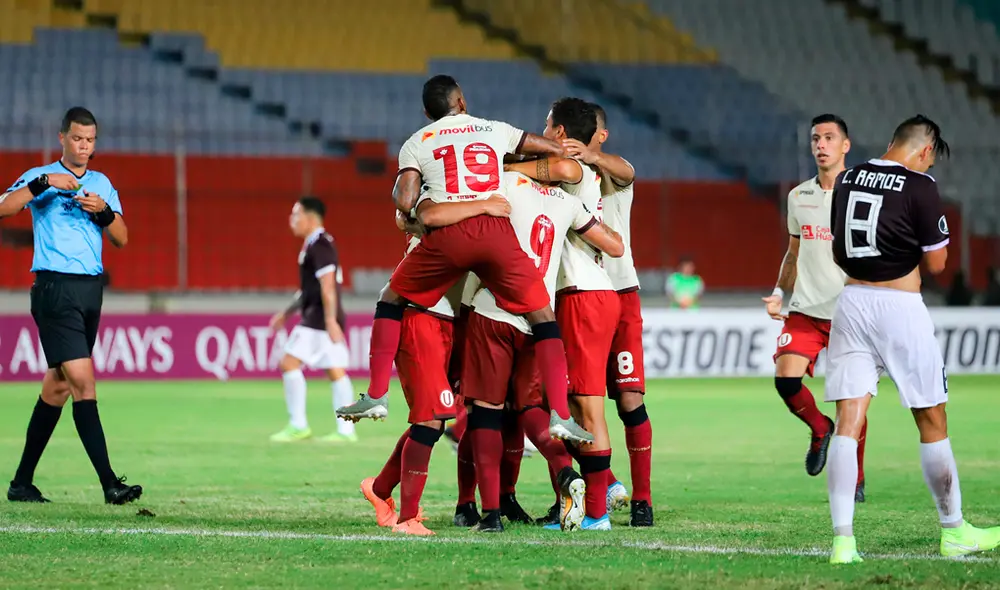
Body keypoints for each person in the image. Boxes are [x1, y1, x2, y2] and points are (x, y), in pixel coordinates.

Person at [336, 75, 592, 445]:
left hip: (448, 239)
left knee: (390, 298)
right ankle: (562, 418)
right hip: (496, 234)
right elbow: (548, 148)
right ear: (463, 101)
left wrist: (416, 202)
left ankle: (377, 394)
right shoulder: (494, 128)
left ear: (428, 112)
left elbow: (405, 201)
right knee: (543, 318)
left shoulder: (417, 142)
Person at [826, 115, 1000, 563]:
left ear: (891, 142)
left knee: (849, 420)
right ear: (925, 152)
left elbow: (838, 248)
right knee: (931, 419)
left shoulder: (847, 178)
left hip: (850, 303)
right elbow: (939, 264)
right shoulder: (920, 186)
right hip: (898, 309)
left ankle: (843, 543)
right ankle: (954, 529)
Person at [459, 169, 626, 532]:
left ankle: (490, 514)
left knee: (486, 414)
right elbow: (614, 245)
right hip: (540, 321)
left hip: (494, 310)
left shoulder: (506, 182)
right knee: (530, 406)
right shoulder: (567, 203)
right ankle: (566, 472)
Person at [1, 107, 142, 504]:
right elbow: (4, 207)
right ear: (62, 137)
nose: (84, 146)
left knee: (59, 386)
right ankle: (110, 484)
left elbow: (122, 237)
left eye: (91, 140)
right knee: (84, 382)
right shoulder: (41, 176)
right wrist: (43, 183)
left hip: (89, 291)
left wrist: (105, 212)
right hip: (55, 289)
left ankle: (21, 483)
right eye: (78, 139)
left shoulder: (101, 183)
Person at [505, 97, 626, 531]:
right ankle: (593, 501)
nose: (540, 131)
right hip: (588, 295)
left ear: (559, 134)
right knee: (577, 404)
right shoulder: (580, 176)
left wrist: (506, 168)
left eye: (546, 125)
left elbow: (563, 170)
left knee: (584, 405)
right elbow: (615, 244)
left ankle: (596, 510)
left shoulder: (572, 167)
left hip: (581, 296)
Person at [762, 114, 868, 500]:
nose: (820, 145)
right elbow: (793, 253)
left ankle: (854, 479)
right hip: (806, 309)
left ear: (845, 146)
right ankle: (819, 429)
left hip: (849, 312)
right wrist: (779, 292)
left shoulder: (860, 196)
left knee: (851, 401)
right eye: (815, 139)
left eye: (828, 138)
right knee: (786, 380)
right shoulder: (798, 196)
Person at [560, 102, 653, 527]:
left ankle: (642, 500)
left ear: (602, 135)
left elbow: (630, 172)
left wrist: (592, 156)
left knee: (628, 400)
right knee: (575, 400)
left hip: (620, 292)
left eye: (590, 137)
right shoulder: (565, 175)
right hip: (581, 294)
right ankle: (600, 487)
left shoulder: (612, 174)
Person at [358, 210, 469, 536]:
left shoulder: (457, 203)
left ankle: (379, 490)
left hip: (444, 318)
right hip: (420, 314)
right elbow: (406, 213)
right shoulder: (443, 205)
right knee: (430, 419)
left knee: (434, 420)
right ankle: (407, 519)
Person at [267, 198, 356, 443]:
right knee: (336, 371)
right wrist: (286, 312)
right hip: (321, 314)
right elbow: (310, 288)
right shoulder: (315, 245)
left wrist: (329, 320)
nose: (291, 220)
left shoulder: (320, 245)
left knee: (288, 363)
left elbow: (328, 286)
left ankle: (298, 425)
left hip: (318, 317)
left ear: (310, 217)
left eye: (295, 214)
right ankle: (346, 431)